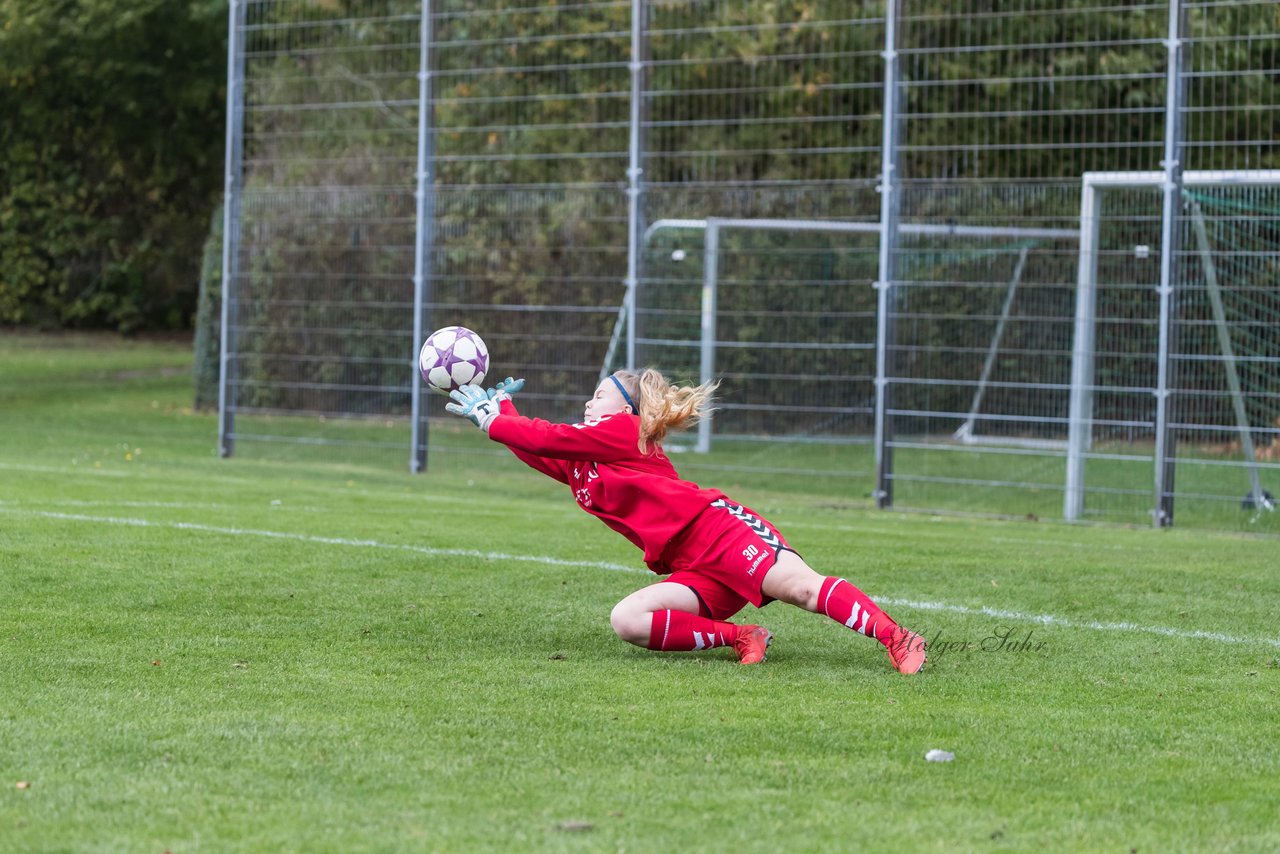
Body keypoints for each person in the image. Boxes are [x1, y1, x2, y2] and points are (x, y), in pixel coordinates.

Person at [444, 369, 926, 673]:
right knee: (627, 621)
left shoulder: (625, 432)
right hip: (691, 565)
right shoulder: (585, 460)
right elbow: (541, 449)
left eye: (598, 395)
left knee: (802, 590)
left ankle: (897, 638)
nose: (588, 404)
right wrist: (499, 413)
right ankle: (742, 637)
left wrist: (493, 420)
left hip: (720, 533)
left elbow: (549, 437)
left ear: (628, 409)